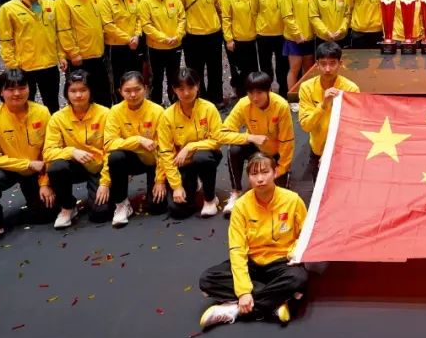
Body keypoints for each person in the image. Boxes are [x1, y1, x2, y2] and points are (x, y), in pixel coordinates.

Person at [198, 152, 309, 328]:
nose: (260, 179)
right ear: (248, 177)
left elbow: (306, 235)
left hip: (282, 262)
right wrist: (243, 291)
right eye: (254, 174)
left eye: (265, 172)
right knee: (207, 279)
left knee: (298, 278)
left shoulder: (293, 200)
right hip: (253, 263)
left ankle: (234, 309)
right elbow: (237, 249)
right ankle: (276, 299)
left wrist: (295, 250)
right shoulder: (241, 206)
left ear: (275, 172)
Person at [0, 69, 55, 238]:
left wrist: (45, 183)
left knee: (47, 215)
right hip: (8, 169)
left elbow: (50, 150)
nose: (17, 93)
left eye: (22, 88)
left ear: (29, 89)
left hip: (36, 170)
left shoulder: (42, 112)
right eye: (10, 89)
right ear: (1, 92)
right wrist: (27, 164)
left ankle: (34, 201)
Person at [220, 72, 295, 215]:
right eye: (250, 93)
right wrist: (250, 137)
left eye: (259, 93)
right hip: (255, 147)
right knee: (234, 149)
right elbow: (222, 133)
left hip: (275, 153)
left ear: (269, 91)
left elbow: (287, 140)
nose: (254, 98)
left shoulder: (281, 105)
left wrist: (281, 168)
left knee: (277, 199)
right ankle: (236, 191)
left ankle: (282, 174)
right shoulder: (243, 104)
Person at [44, 70, 111, 228]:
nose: (78, 95)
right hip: (73, 166)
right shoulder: (57, 118)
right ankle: (67, 207)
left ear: (91, 91)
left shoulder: (105, 114)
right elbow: (48, 152)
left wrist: (105, 183)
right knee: (56, 167)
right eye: (73, 91)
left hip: (98, 167)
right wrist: (71, 152)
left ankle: (105, 196)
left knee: (101, 213)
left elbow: (111, 150)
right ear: (66, 93)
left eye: (83, 90)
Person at [102, 71, 168, 227]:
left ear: (145, 88)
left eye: (137, 89)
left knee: (157, 207)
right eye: (127, 91)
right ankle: (122, 204)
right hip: (130, 159)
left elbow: (165, 149)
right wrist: (138, 140)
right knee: (115, 157)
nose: (133, 95)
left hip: (154, 160)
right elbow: (109, 144)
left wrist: (160, 181)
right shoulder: (115, 111)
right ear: (120, 92)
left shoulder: (158, 111)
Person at [0, 0, 66, 113]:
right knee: (26, 104)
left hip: (49, 64)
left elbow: (58, 32)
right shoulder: (8, 9)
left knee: (52, 103)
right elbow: (5, 40)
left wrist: (61, 55)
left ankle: (52, 127)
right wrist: (12, 65)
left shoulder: (50, 4)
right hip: (24, 66)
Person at [157, 68, 224, 218]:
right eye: (181, 89)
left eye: (190, 87)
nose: (186, 93)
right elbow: (165, 153)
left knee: (202, 158)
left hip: (206, 156)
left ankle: (210, 199)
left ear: (198, 86)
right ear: (174, 89)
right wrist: (176, 186)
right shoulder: (167, 116)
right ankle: (193, 182)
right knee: (178, 211)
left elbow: (218, 140)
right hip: (182, 163)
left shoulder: (208, 108)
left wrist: (190, 146)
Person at [54, 0, 111, 105]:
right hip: (79, 57)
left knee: (103, 94)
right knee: (81, 95)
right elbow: (63, 29)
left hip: (98, 53)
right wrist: (73, 53)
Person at [298, 42, 360, 158]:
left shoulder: (351, 89)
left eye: (332, 63)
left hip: (342, 150)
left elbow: (354, 125)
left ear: (340, 64)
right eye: (323, 64)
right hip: (317, 148)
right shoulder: (306, 87)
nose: (327, 69)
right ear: (317, 64)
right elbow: (306, 126)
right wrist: (323, 105)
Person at [179, 0, 224, 105]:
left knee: (215, 68)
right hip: (193, 36)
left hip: (213, 34)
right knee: (195, 69)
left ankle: (216, 99)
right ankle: (199, 99)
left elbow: (218, 6)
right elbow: (180, 10)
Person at [99, 0, 141, 101]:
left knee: (135, 76)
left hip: (134, 44)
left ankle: (135, 103)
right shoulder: (105, 0)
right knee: (118, 79)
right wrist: (128, 39)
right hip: (115, 47)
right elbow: (108, 25)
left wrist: (137, 35)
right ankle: (118, 105)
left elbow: (138, 18)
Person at [222, 0, 261, 94]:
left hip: (255, 38)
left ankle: (255, 93)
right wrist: (229, 39)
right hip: (237, 39)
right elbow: (226, 18)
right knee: (239, 70)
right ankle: (241, 95)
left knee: (254, 70)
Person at [280, 0, 316, 94]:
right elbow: (287, 16)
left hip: (309, 37)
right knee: (294, 68)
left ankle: (307, 95)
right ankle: (293, 97)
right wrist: (297, 34)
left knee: (308, 69)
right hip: (294, 38)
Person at [254, 0, 287, 95]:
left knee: (282, 66)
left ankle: (284, 92)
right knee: (265, 66)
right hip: (263, 35)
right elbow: (254, 12)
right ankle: (267, 92)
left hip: (282, 34)